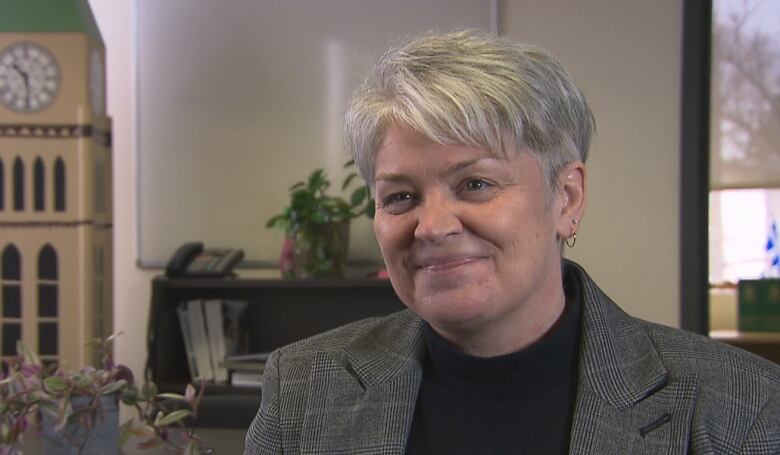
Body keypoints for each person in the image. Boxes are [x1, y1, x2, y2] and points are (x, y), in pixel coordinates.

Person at [245, 30, 780, 454]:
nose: (431, 227)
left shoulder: (740, 406)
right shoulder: (303, 391)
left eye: (474, 185)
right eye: (401, 197)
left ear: (565, 198)